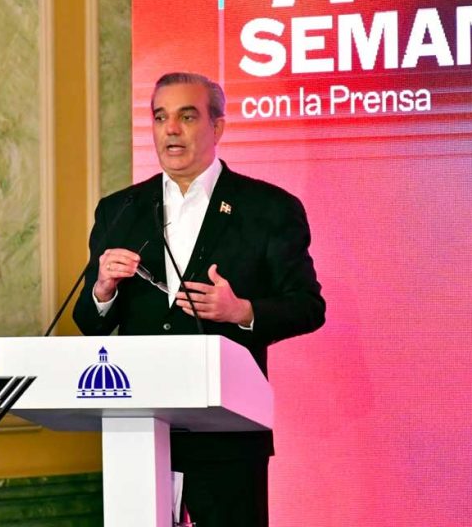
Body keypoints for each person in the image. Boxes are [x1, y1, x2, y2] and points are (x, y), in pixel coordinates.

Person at [73, 71, 325, 526]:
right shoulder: (120, 209)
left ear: (218, 127)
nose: (171, 129)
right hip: (138, 431)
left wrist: (241, 311)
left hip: (227, 435)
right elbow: (90, 322)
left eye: (187, 117)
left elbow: (308, 306)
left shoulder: (269, 208)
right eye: (160, 117)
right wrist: (103, 290)